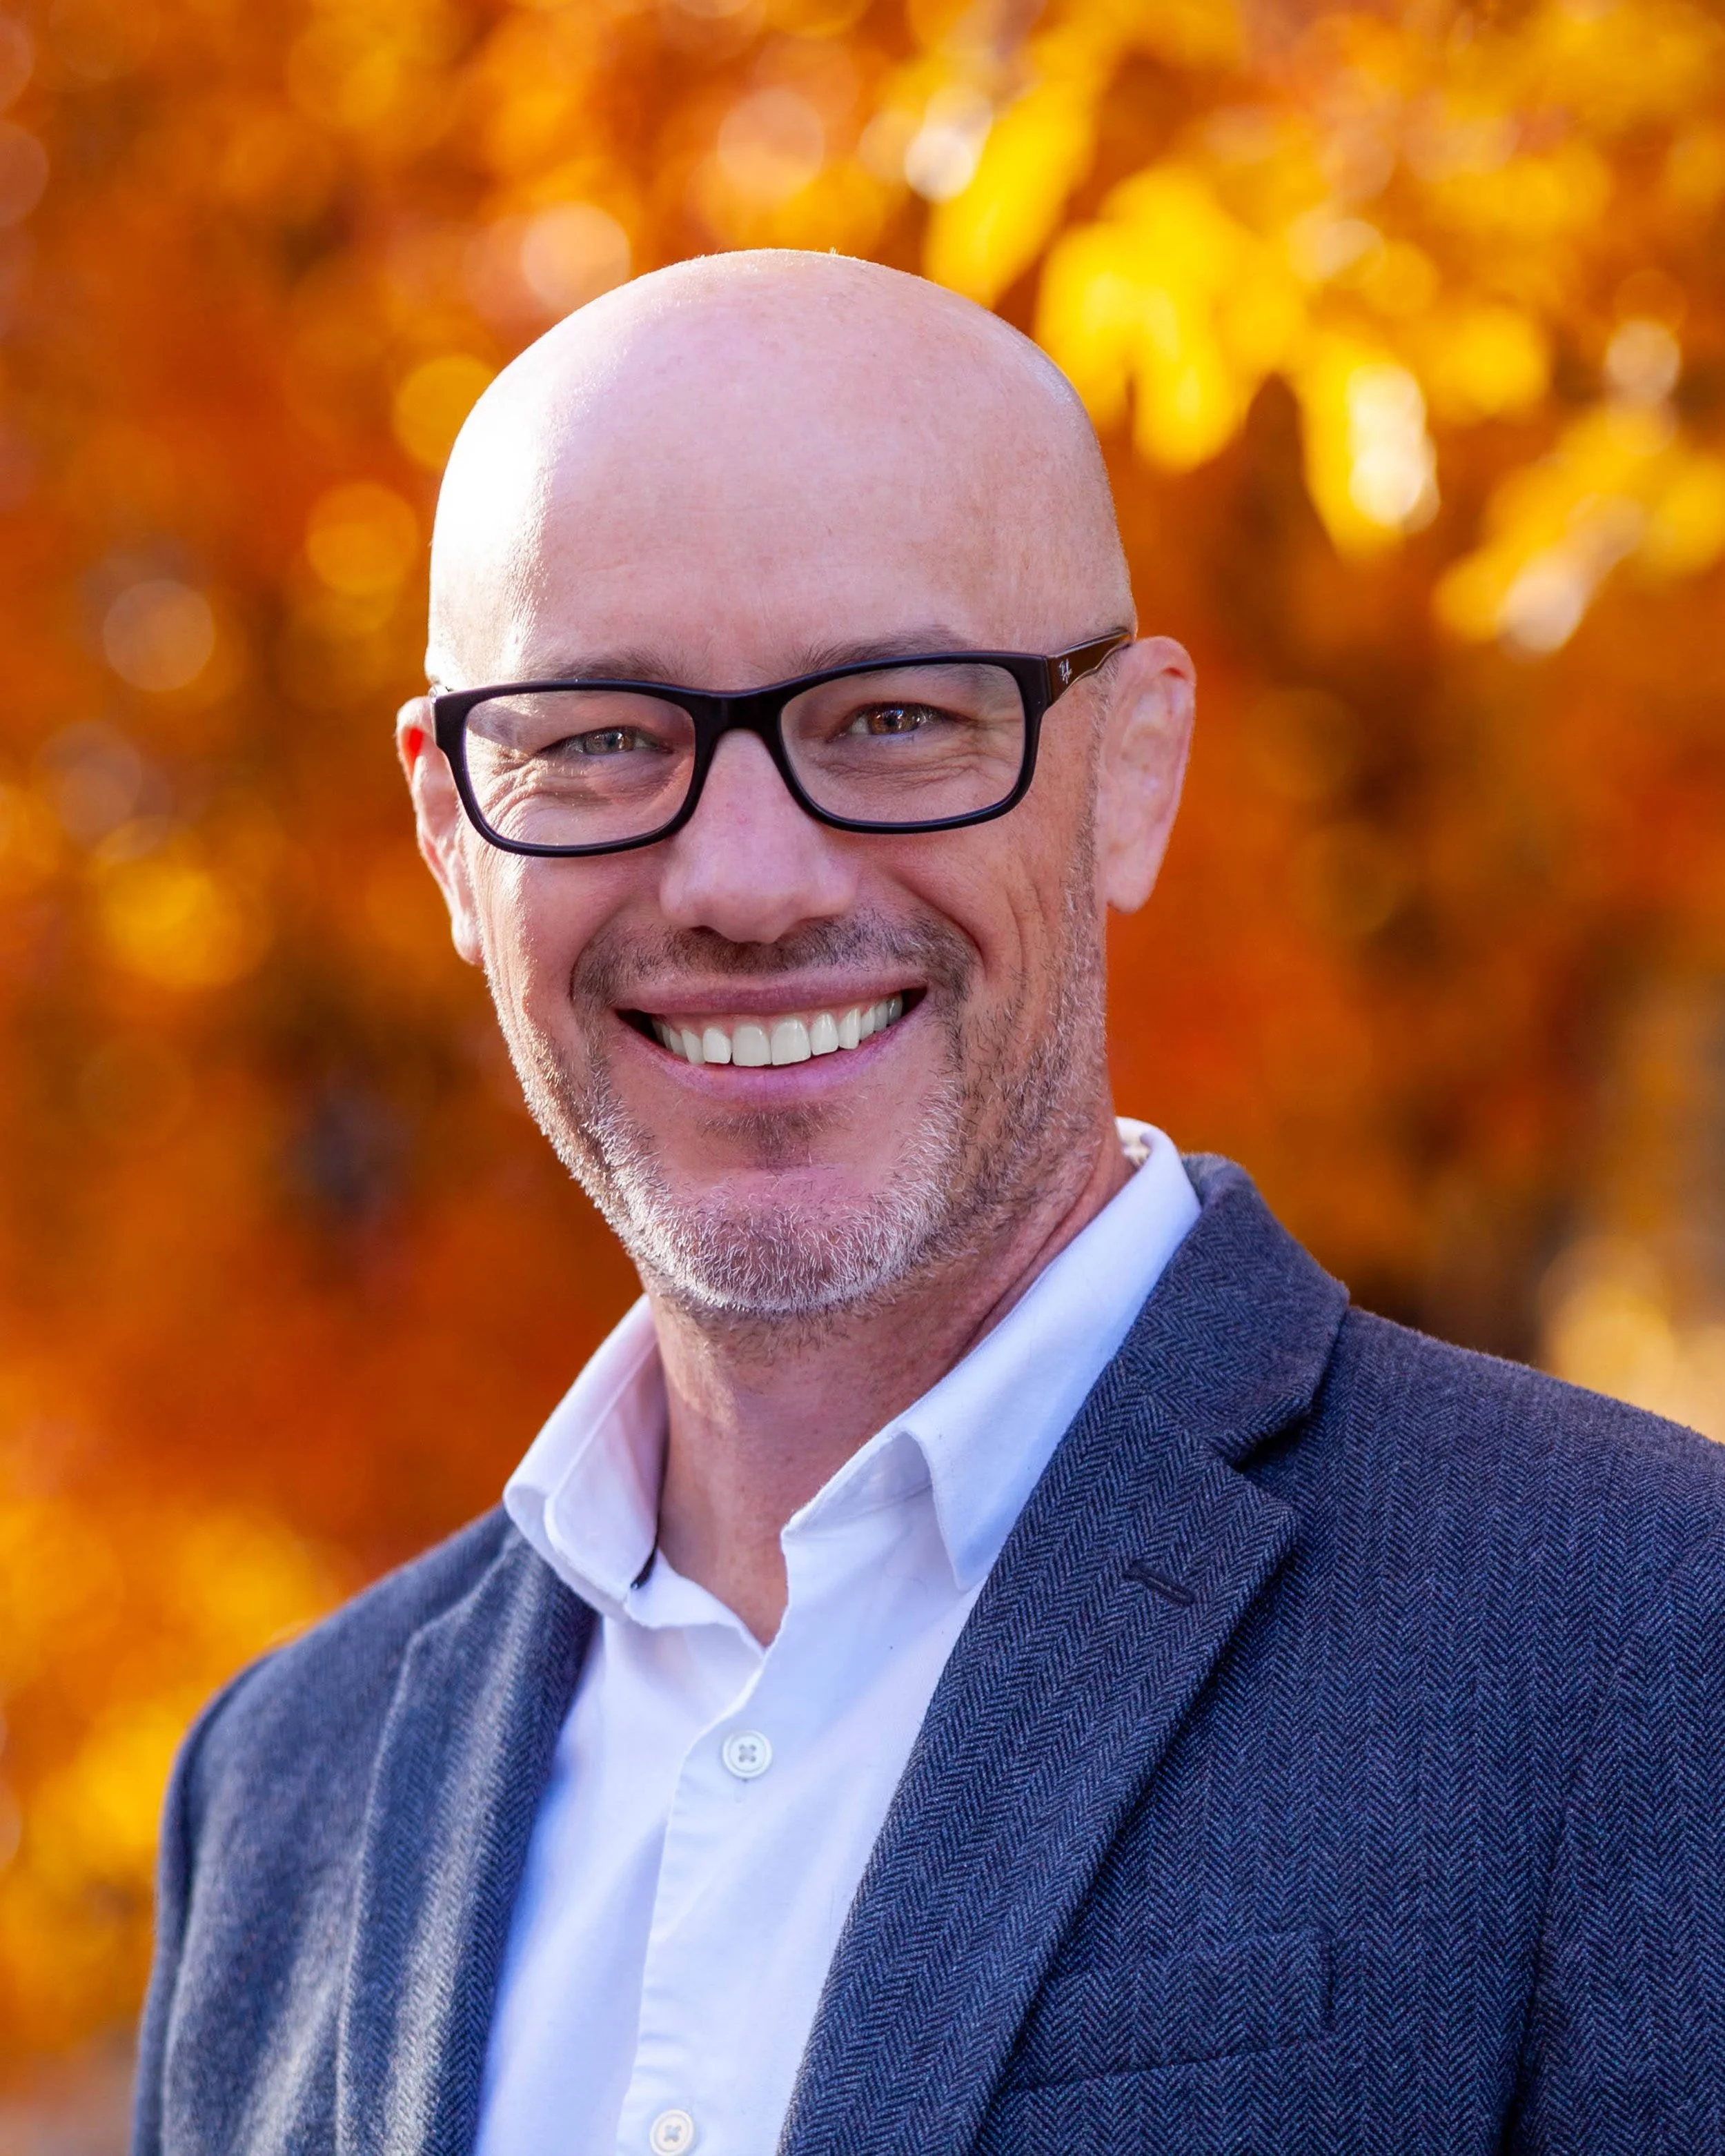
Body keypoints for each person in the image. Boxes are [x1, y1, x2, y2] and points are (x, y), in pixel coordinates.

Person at [133, 253, 1725, 2156]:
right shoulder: (280, 1795)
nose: (740, 876)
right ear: (448, 832)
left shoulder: (1633, 1637)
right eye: (598, 737)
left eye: (891, 717)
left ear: (1133, 768)